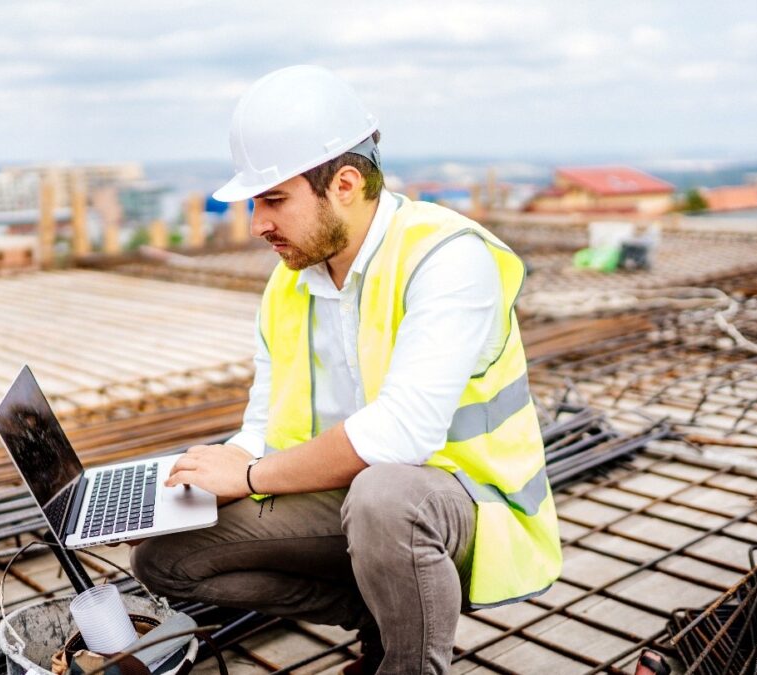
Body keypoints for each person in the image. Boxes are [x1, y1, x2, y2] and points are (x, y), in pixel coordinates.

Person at [131, 65, 562, 674]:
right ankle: (381, 611)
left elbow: (401, 436)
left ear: (345, 184)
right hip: (348, 500)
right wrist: (197, 487)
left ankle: (408, 663)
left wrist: (251, 476)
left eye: (274, 199)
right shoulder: (290, 286)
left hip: (461, 505)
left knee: (384, 497)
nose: (258, 224)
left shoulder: (446, 258)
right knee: (164, 561)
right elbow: (264, 422)